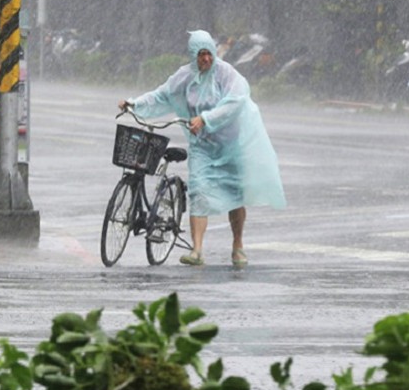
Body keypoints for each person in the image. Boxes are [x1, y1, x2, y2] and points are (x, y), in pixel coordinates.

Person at [118, 30, 286, 267]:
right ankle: (197, 250)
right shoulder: (184, 76)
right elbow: (162, 94)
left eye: (209, 54)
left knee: (235, 196)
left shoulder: (227, 74)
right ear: (193, 56)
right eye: (200, 55)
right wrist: (134, 103)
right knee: (198, 191)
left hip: (231, 145)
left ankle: (238, 245)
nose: (205, 59)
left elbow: (235, 101)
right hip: (202, 146)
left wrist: (206, 119)